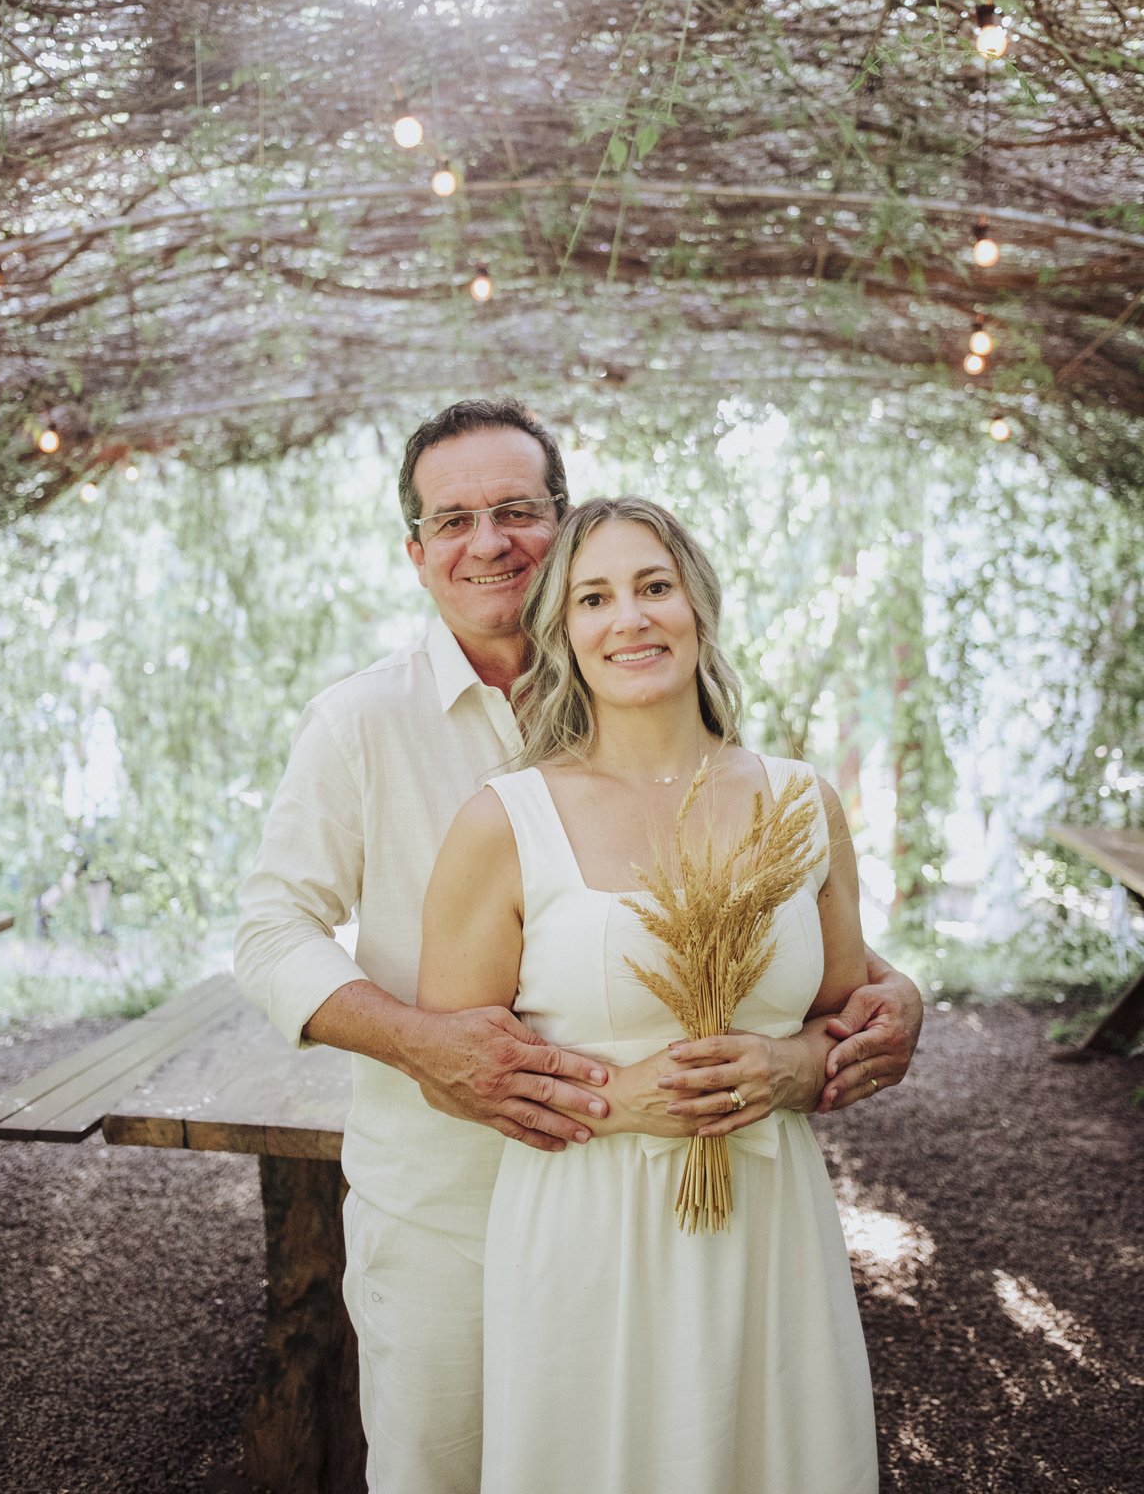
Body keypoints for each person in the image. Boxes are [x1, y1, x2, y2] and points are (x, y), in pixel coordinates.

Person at [234, 400, 919, 1494]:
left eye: (516, 510)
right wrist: (425, 1044)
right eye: (453, 520)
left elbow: (762, 935)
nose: (488, 542)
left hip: (720, 1202)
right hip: (448, 1197)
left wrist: (880, 1004)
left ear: (562, 523)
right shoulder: (362, 723)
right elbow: (272, 933)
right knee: (448, 1468)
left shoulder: (689, 727)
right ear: (416, 553)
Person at [418, 496, 880, 1494]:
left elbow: (848, 1012)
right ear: (563, 633)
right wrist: (616, 1101)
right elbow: (448, 1070)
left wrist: (802, 1066)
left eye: (654, 586)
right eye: (594, 598)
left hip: (771, 1225)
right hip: (589, 1231)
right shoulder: (504, 822)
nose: (629, 618)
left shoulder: (803, 803)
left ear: (698, 606)